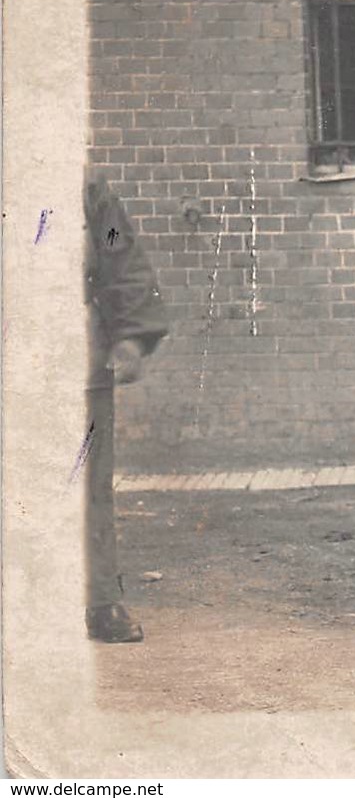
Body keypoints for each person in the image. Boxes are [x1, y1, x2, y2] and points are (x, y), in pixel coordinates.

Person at [83, 175, 170, 642]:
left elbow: (118, 254)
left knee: (89, 483)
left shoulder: (88, 191)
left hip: (70, 352)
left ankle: (97, 600)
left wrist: (131, 335)